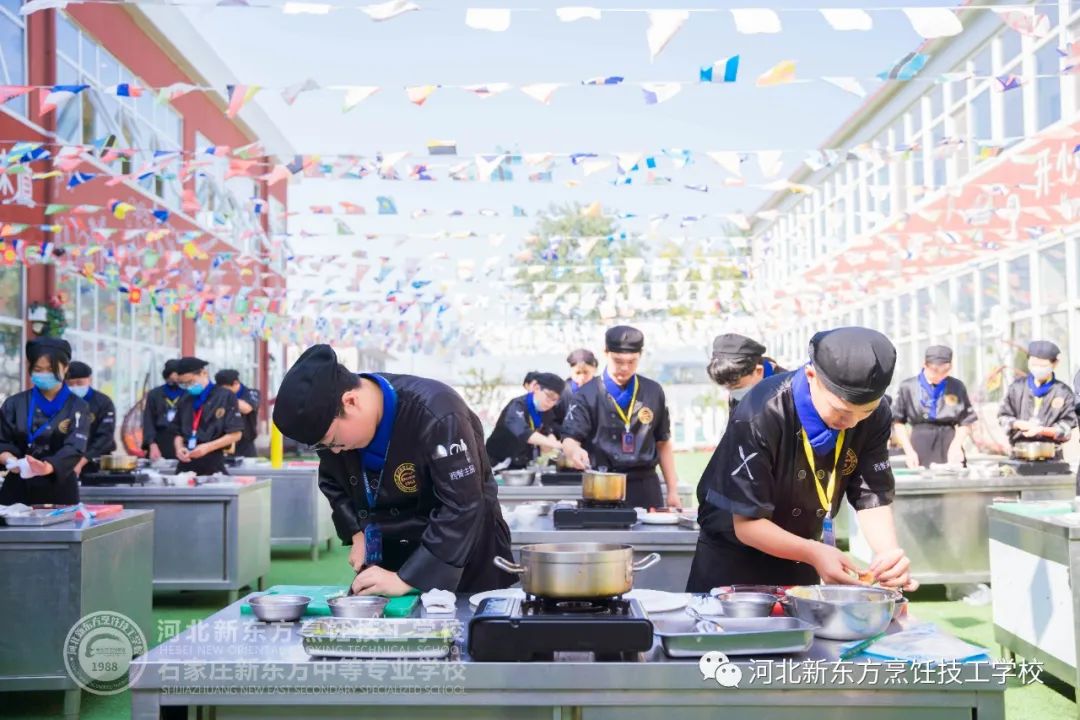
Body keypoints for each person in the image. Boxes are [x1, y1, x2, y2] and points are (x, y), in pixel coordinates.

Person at [272, 344, 516, 596]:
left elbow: (462, 506)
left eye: (332, 441)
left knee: (466, 628)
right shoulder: (332, 430)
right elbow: (333, 482)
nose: (333, 452)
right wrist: (357, 531)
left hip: (463, 553)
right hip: (393, 554)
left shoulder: (438, 412)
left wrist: (409, 578)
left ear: (351, 401)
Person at [687, 327, 917, 592]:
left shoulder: (876, 414)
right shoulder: (760, 412)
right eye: (841, 411)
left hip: (805, 553)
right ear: (811, 375)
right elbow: (747, 525)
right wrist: (815, 553)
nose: (851, 423)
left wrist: (888, 554)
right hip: (733, 557)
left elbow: (872, 494)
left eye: (865, 411)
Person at [561, 326, 682, 509]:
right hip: (602, 485)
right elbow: (570, 438)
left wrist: (673, 491)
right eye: (618, 361)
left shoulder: (653, 391)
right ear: (606, 353)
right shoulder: (587, 394)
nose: (624, 368)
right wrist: (574, 452)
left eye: (632, 361)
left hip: (645, 485)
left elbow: (663, 442)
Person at [0, 338, 90, 505]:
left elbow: (75, 447)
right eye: (38, 369)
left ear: (66, 368)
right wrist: (10, 460)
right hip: (18, 488)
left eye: (51, 369)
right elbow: (2, 441)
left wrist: (48, 467)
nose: (44, 374)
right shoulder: (14, 403)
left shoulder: (78, 406)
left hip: (60, 489)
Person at [891, 346, 977, 468]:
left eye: (945, 370)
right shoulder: (908, 387)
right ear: (925, 365)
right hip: (920, 443)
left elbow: (966, 421)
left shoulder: (957, 386)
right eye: (935, 370)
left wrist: (957, 445)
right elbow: (897, 421)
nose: (940, 375)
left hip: (949, 441)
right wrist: (909, 451)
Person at [998, 341, 1077, 459]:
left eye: (1043, 366)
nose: (1038, 369)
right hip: (1019, 453)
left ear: (1055, 364)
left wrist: (1042, 430)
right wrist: (1017, 424)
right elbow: (1003, 417)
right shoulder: (1016, 388)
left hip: (1051, 455)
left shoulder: (1063, 392)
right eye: (1034, 364)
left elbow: (1067, 428)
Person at [169, 357, 244, 475]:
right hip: (186, 463)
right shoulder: (185, 398)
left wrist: (207, 447)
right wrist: (179, 448)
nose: (188, 386)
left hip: (213, 461)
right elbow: (177, 431)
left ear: (204, 373)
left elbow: (236, 434)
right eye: (184, 384)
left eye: (191, 382)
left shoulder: (224, 396)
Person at [486, 372, 565, 469]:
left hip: (521, 463)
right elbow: (523, 433)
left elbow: (547, 432)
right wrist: (556, 444)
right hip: (495, 461)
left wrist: (550, 439)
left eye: (555, 400)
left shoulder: (547, 412)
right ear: (536, 388)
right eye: (548, 396)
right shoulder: (517, 405)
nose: (550, 403)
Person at [707, 333, 786, 413]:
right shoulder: (737, 391)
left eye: (738, 387)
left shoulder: (788, 394)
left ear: (759, 371)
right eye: (728, 388)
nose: (733, 393)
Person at [65, 361, 117, 476]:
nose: (74, 387)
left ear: (89, 380)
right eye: (70, 384)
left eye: (79, 383)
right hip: (66, 463)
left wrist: (82, 461)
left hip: (96, 463)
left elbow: (105, 437)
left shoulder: (103, 402)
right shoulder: (62, 402)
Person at [142, 359, 182, 461]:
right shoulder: (155, 394)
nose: (178, 376)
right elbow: (148, 421)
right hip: (160, 440)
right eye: (175, 373)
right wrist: (151, 443)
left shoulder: (188, 394)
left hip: (181, 440)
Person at [215, 369, 261, 457]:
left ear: (236, 383)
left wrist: (226, 397)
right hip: (222, 442)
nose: (223, 393)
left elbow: (247, 408)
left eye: (226, 390)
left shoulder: (251, 393)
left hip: (245, 444)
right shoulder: (218, 395)